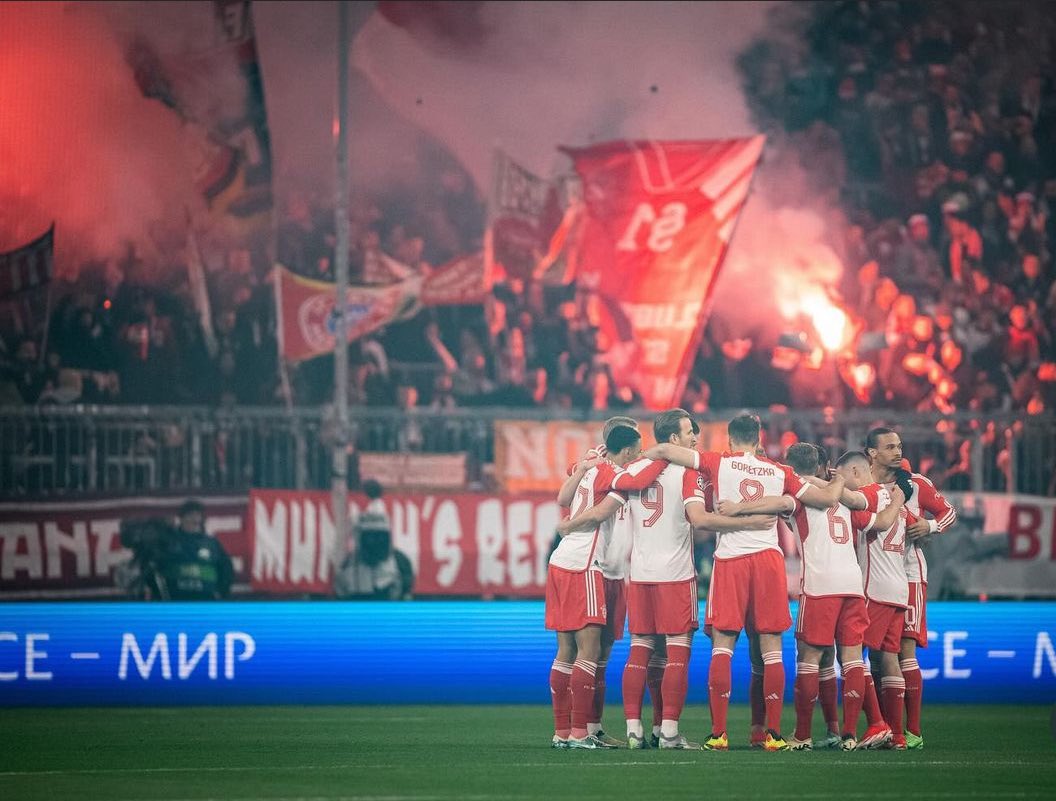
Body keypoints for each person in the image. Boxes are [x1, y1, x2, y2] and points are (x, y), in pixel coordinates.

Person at [560, 409, 777, 750]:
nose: (695, 438)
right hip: (676, 574)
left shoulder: (634, 470)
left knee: (639, 651)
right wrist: (748, 522)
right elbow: (699, 519)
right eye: (690, 432)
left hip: (641, 574)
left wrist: (576, 497)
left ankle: (634, 730)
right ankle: (669, 733)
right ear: (674, 439)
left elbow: (600, 502)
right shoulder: (688, 472)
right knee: (677, 654)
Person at [697, 413, 846, 752]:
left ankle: (718, 733)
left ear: (731, 439)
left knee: (723, 644)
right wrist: (839, 481)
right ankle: (773, 734)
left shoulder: (718, 461)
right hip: (769, 560)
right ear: (759, 438)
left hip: (731, 559)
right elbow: (824, 498)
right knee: (771, 647)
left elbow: (677, 456)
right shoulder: (780, 471)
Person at [545, 424, 668, 749]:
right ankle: (579, 732)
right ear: (626, 449)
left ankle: (570, 731)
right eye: (639, 449)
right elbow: (607, 506)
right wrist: (667, 455)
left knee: (575, 651)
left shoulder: (591, 465)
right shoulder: (612, 473)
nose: (642, 454)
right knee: (588, 651)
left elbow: (563, 495)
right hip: (587, 567)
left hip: (580, 566)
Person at [866, 428, 957, 750]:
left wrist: (928, 526)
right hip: (871, 578)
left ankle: (912, 731)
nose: (897, 452)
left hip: (908, 576)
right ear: (872, 453)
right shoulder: (865, 485)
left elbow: (949, 513)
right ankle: (884, 729)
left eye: (899, 446)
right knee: (876, 656)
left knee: (903, 651)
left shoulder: (916, 484)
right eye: (889, 447)